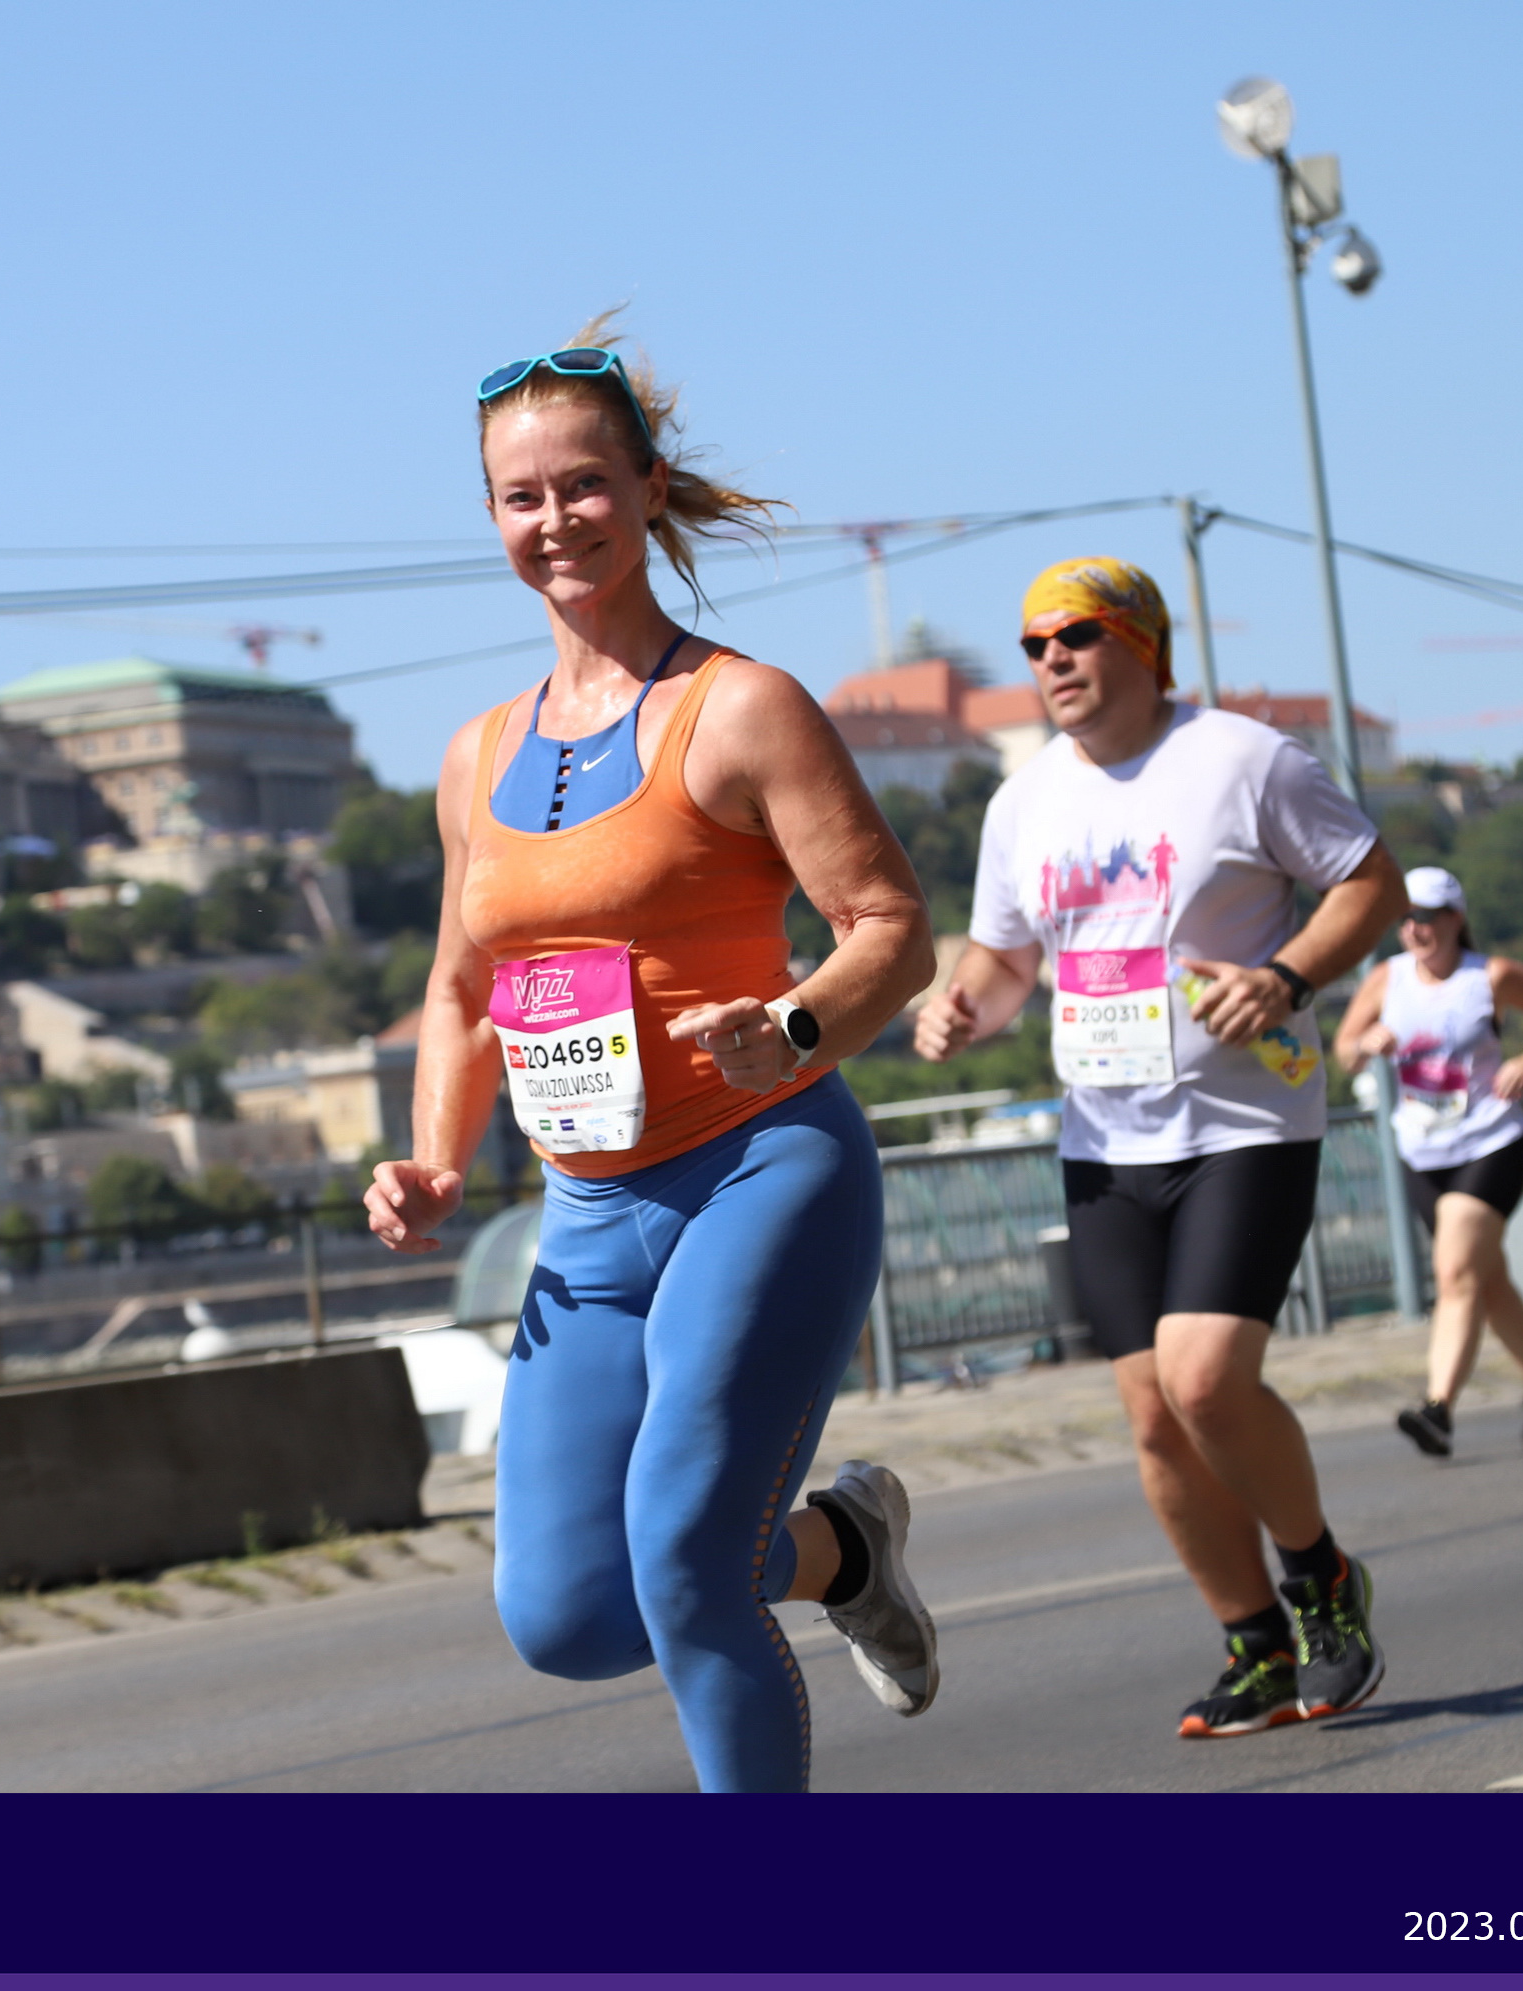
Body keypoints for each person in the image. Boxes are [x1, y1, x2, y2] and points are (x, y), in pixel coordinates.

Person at [364, 325, 944, 1792]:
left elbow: (891, 932)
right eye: (521, 496)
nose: (555, 518)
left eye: (584, 484)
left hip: (760, 1169)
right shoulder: (473, 755)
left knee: (687, 1560)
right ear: (492, 515)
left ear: (647, 490)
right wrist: (434, 1158)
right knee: (567, 1616)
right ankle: (842, 1546)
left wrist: (790, 1025)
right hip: (586, 1212)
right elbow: (460, 991)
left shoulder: (741, 707)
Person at [913, 558, 1407, 1740]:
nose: (1051, 659)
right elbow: (1005, 958)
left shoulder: (1241, 760)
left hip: (1244, 1121)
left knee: (1202, 1379)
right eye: (1033, 644)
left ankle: (1321, 1577)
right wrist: (961, 1004)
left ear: (1141, 643)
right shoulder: (1022, 802)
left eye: (1076, 635)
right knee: (1151, 1413)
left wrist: (1286, 976)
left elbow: (1370, 885)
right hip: (1104, 1139)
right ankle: (1253, 1643)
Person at [1331, 866, 1523, 1457]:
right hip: (1423, 1151)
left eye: (1425, 917)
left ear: (1455, 918)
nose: (1413, 929)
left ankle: (1438, 1407)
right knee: (1483, 1280)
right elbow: (1343, 1049)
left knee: (1452, 1273)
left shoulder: (1490, 976)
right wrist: (1364, 1044)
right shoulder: (1387, 979)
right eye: (1404, 918)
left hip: (1490, 1141)